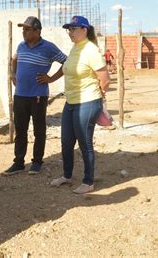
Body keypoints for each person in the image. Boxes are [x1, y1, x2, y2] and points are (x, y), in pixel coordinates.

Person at [50, 15, 110, 194]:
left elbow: (105, 80)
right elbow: (66, 67)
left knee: (85, 143)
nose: (70, 32)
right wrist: (50, 78)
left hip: (87, 102)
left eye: (74, 29)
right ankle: (67, 176)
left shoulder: (91, 50)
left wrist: (99, 98)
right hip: (71, 102)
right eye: (69, 29)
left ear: (85, 30)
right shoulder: (75, 48)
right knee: (66, 142)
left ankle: (88, 181)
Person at [3, 16, 67, 175]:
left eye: (27, 29)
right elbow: (14, 59)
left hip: (38, 96)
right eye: (23, 29)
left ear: (37, 31)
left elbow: (67, 62)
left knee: (39, 130)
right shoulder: (21, 46)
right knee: (20, 130)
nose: (24, 32)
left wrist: (51, 78)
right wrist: (13, 74)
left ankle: (37, 162)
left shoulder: (48, 47)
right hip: (20, 96)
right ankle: (18, 162)